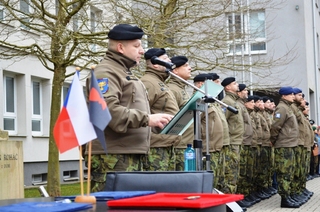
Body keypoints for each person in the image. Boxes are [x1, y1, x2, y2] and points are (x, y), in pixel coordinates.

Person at [86, 24, 173, 192]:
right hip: (113, 157)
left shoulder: (124, 72)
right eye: (136, 46)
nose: (142, 51)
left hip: (128, 154)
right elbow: (108, 111)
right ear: (120, 47)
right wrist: (147, 119)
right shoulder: (105, 72)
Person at [140, 48, 181, 171]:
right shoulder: (149, 83)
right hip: (156, 147)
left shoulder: (159, 82)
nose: (169, 61)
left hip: (165, 143)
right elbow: (142, 114)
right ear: (155, 64)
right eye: (165, 59)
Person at [270, 86, 299, 208]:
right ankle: (284, 198)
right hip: (284, 145)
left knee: (290, 172)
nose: (293, 96)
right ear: (284, 96)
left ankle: (288, 195)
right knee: (284, 172)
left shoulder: (288, 107)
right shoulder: (282, 108)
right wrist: (273, 140)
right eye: (291, 94)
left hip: (290, 144)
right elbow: (275, 126)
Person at [193, 73, 223, 189]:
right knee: (209, 181)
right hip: (207, 147)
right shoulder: (198, 100)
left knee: (217, 177)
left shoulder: (210, 101)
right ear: (201, 84)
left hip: (215, 146)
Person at [167, 56, 194, 171]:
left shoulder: (182, 89)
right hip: (180, 146)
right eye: (185, 66)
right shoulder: (172, 89)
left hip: (187, 144)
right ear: (175, 70)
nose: (190, 68)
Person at [221, 77, 244, 194]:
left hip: (237, 141)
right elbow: (223, 120)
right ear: (228, 87)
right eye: (234, 83)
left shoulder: (234, 101)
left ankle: (233, 197)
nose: (237, 84)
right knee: (231, 171)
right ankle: (229, 199)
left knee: (235, 171)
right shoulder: (227, 102)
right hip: (231, 142)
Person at [235, 84, 255, 208]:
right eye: (244, 90)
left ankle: (245, 194)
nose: (246, 92)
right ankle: (238, 197)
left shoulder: (241, 105)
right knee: (240, 172)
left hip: (248, 142)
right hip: (239, 142)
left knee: (248, 171)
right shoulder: (231, 103)